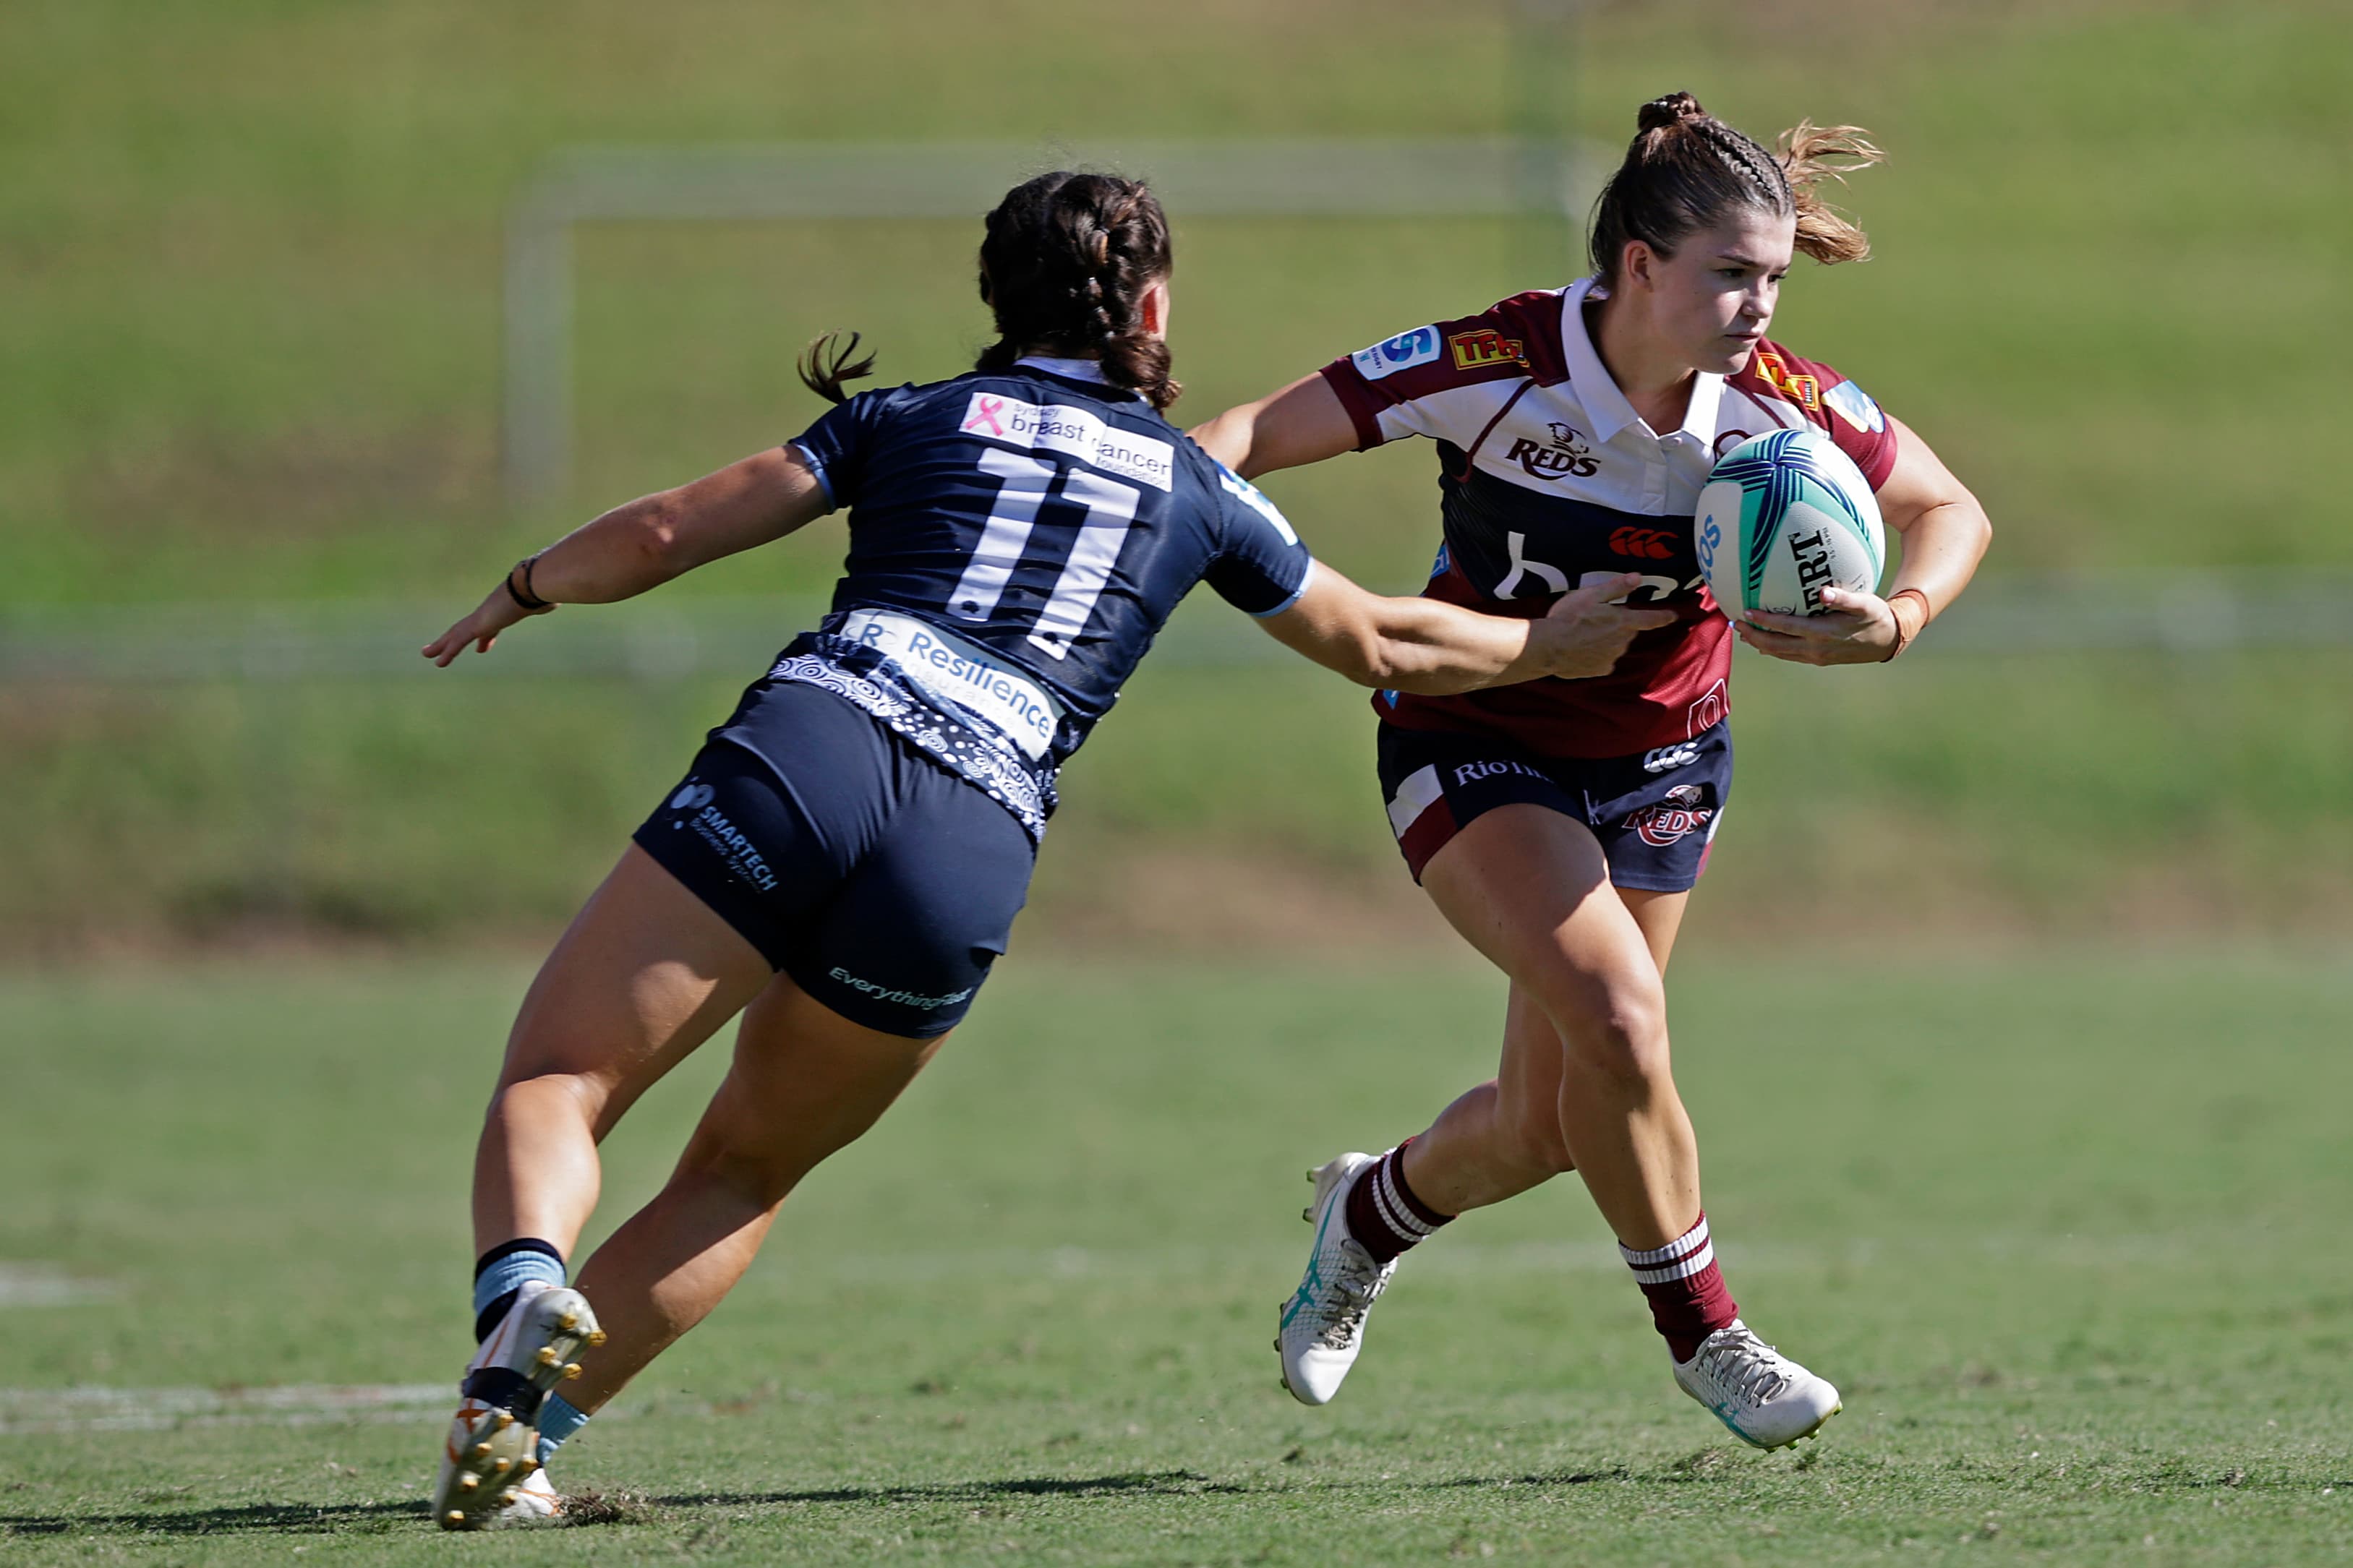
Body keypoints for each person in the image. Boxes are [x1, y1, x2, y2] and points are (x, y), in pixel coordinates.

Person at [414, 169, 1678, 1528]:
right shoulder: (1198, 484)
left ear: (996, 300)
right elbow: (1381, 640)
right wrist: (1547, 644)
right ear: (1148, 304)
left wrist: (531, 580)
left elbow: (667, 531)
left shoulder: (905, 417)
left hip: (820, 747)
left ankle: (523, 1288)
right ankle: (513, 1436)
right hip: (971, 838)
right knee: (740, 1169)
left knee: (561, 1073)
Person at [1190, 91, 1993, 1449]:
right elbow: (1239, 443)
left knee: (1548, 1119)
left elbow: (1947, 505)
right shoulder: (1496, 358)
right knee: (1619, 1019)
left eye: (1773, 278)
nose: (1758, 307)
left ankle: (1364, 1213)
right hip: (1472, 736)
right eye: (1730, 275)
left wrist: (1897, 620)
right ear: (1636, 266)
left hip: (1663, 757)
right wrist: (1209, 551)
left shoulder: (1780, 409)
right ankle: (1711, 1339)